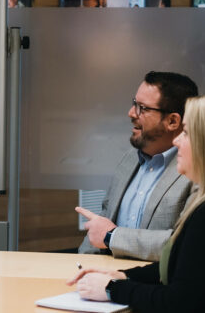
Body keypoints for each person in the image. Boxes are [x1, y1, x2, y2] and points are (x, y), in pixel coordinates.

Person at [69, 93, 205, 312]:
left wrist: (112, 289)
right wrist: (124, 275)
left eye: (186, 133)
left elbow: (180, 302)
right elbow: (187, 267)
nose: (176, 140)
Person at [77, 71, 198, 261]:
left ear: (172, 121)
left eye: (142, 108)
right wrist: (81, 267)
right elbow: (101, 223)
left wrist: (112, 237)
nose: (131, 113)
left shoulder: (196, 170)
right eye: (134, 104)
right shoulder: (129, 160)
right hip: (106, 283)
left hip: (156, 286)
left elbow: (184, 243)